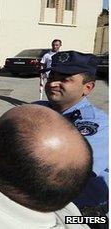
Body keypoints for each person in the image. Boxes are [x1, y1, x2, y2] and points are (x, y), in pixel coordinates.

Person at [37, 50, 108, 216]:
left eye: (64, 79)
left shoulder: (101, 124)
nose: (53, 83)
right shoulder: (36, 109)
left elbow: (71, 170)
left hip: (85, 216)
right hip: (44, 209)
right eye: (52, 76)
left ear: (87, 88)